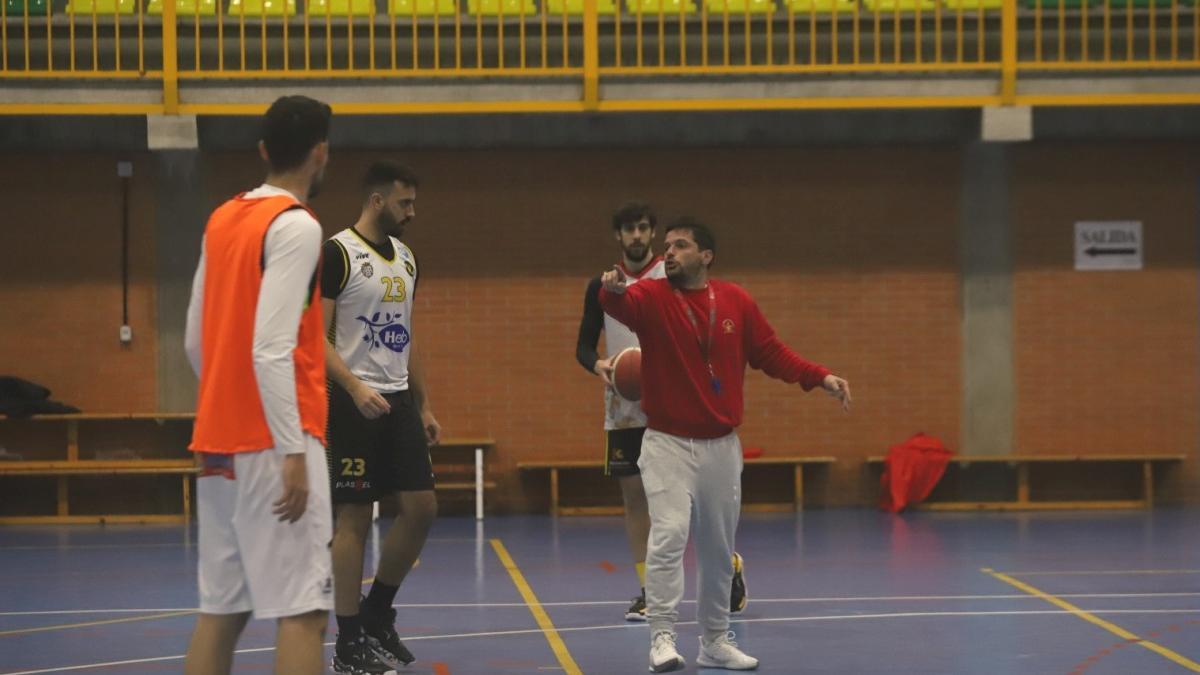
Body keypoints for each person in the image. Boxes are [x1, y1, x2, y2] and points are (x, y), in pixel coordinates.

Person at [599, 218, 851, 673]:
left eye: (681, 245)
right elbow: (619, 304)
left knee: (718, 549)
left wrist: (820, 377)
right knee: (670, 534)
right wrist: (612, 289)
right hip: (666, 444)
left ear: (706, 256)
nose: (669, 252)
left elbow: (772, 353)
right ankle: (661, 636)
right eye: (668, 245)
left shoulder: (735, 301)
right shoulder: (651, 298)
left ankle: (714, 640)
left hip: (721, 446)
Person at [182, 94, 334, 675]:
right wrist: (289, 448)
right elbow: (270, 347)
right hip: (275, 444)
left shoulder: (222, 218)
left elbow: (195, 341)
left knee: (222, 610)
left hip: (218, 443)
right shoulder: (296, 227)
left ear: (264, 150)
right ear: (321, 153)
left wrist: (227, 409)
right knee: (304, 612)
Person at [576, 203, 749, 622]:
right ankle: (649, 590)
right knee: (636, 500)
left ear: (651, 233)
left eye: (642, 228)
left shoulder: (670, 276)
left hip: (672, 399)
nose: (636, 236)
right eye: (628, 229)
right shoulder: (603, 285)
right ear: (618, 236)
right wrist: (596, 364)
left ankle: (729, 566)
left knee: (687, 506)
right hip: (623, 404)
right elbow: (583, 345)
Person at [322, 160, 442, 674]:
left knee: (422, 509)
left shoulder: (408, 259)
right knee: (354, 519)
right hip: (352, 405)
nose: (411, 213)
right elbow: (314, 336)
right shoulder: (337, 253)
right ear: (377, 201)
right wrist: (353, 387)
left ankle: (376, 612)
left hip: (398, 402)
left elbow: (405, 334)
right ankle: (348, 641)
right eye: (404, 203)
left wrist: (424, 402)